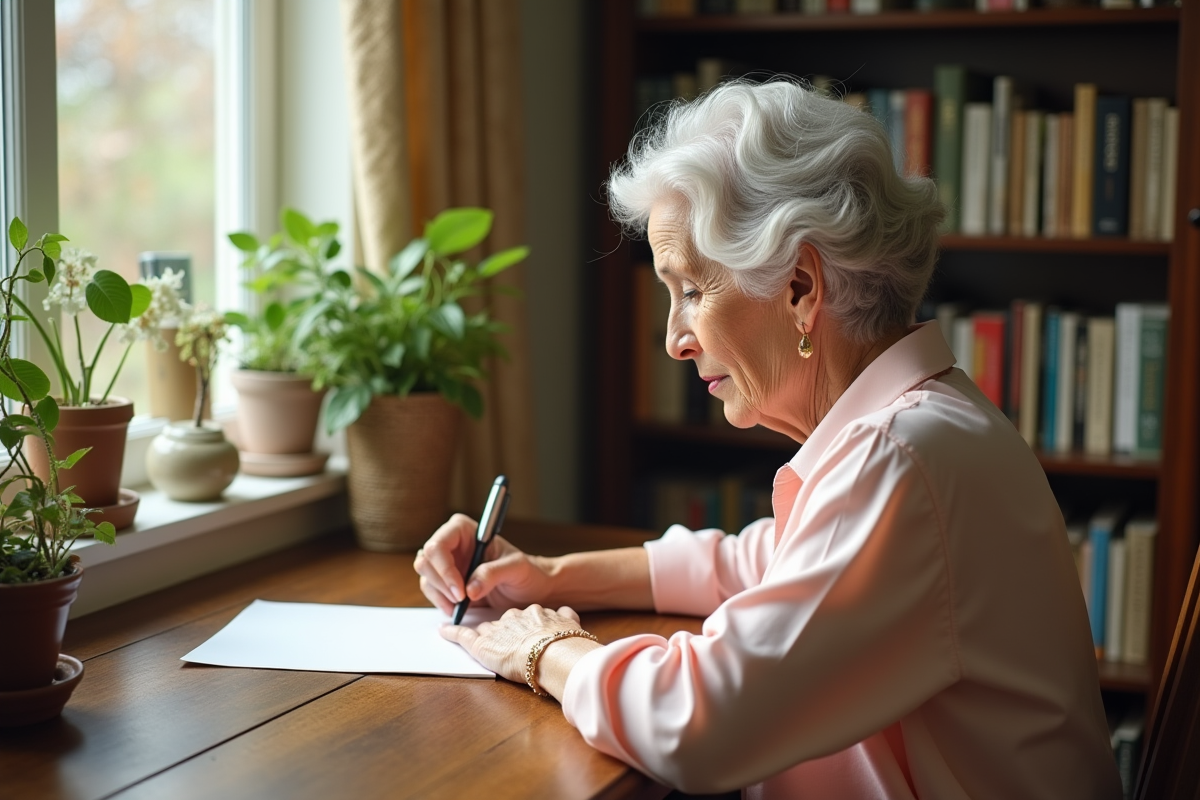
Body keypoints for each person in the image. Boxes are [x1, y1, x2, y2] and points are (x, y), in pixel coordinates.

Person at [415, 79, 1121, 799]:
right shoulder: (924, 425)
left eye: (691, 290)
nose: (673, 341)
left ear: (800, 289)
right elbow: (770, 561)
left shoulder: (902, 457)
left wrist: (543, 648)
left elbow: (696, 723)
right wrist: (555, 576)